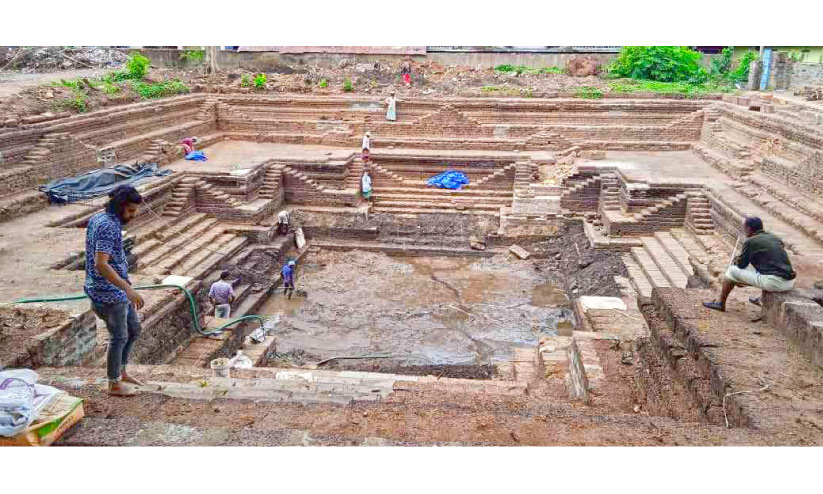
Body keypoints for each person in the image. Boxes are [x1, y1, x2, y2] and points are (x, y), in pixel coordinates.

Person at [84, 185, 145, 397]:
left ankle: (122, 371)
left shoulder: (100, 218)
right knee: (119, 336)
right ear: (119, 206)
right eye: (130, 211)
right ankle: (114, 383)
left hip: (115, 289)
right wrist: (129, 290)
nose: (133, 215)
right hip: (108, 291)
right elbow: (101, 264)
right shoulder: (107, 226)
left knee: (134, 329)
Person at [703, 216, 797, 312]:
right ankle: (761, 299)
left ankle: (720, 303)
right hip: (790, 281)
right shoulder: (774, 238)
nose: (744, 230)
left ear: (749, 228)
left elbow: (741, 265)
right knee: (766, 266)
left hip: (775, 283)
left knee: (732, 271)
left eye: (745, 228)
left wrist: (736, 261)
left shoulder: (751, 241)